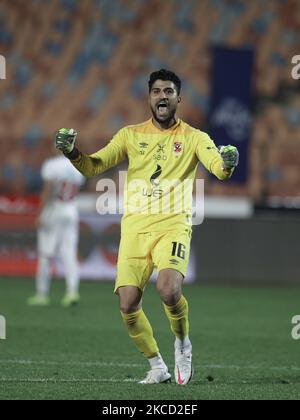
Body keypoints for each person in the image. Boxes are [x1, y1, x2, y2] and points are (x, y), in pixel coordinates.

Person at [55, 69, 239, 384]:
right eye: (156, 91)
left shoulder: (195, 138)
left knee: (168, 289)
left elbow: (219, 170)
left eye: (168, 91)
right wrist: (72, 152)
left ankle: (182, 343)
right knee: (127, 303)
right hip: (135, 230)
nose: (162, 96)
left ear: (178, 98)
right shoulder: (130, 135)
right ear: (149, 97)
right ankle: (157, 366)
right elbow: (93, 166)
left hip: (173, 225)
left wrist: (228, 163)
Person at [27, 152, 85, 307]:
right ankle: (72, 292)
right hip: (71, 210)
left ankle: (42, 294)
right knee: (69, 253)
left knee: (46, 254)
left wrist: (40, 213)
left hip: (54, 210)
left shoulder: (52, 165)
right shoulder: (78, 164)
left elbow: (48, 190)